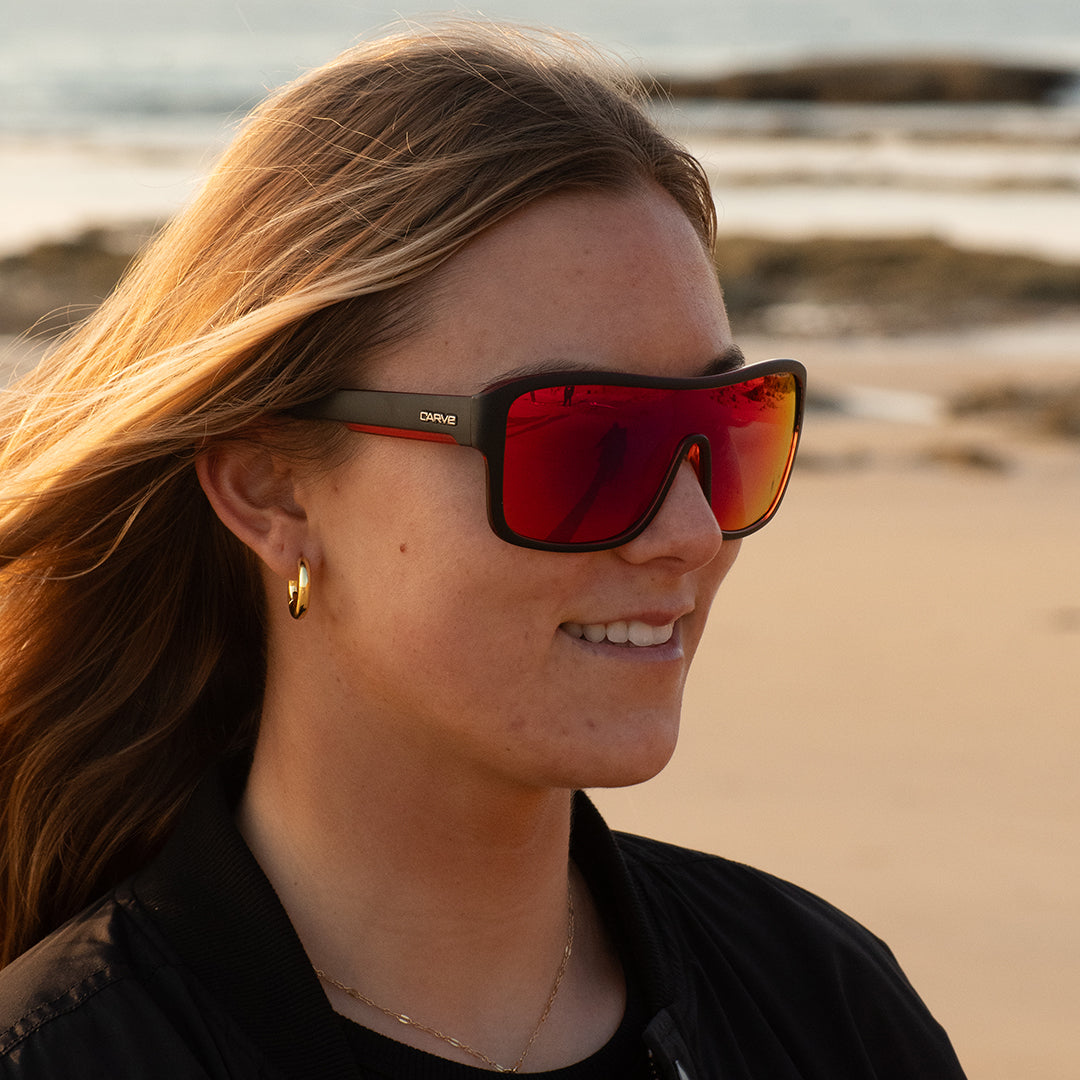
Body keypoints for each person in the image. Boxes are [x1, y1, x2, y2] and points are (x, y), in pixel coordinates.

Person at [0, 23, 966, 1079]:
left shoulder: (820, 1007)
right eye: (580, 442)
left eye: (728, 427)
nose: (691, 532)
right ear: (270, 489)